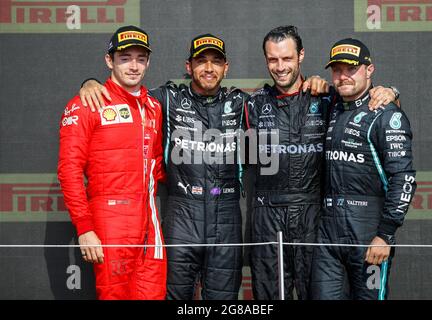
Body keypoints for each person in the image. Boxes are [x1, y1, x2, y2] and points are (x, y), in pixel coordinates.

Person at [78, 33, 328, 300]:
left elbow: (285, 100)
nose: (208, 68)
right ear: (189, 66)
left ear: (226, 67)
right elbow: (128, 96)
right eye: (201, 61)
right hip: (182, 218)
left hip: (227, 218)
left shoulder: (243, 103)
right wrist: (90, 83)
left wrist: (314, 81)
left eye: (216, 62)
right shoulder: (167, 99)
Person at [245, 26, 399, 300]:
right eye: (273, 59)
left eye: (287, 58)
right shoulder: (252, 104)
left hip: (314, 218)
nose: (280, 67)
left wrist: (390, 92)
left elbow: (368, 104)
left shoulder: (328, 97)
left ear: (301, 55)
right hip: (267, 217)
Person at [57, 25, 167, 300]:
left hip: (150, 226)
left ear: (148, 62)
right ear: (109, 60)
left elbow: (155, 164)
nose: (134, 66)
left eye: (140, 59)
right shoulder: (86, 103)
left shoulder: (154, 107)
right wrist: (85, 228)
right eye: (125, 58)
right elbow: (69, 170)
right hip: (111, 223)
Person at [310, 38, 416, 300]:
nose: (343, 76)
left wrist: (385, 235)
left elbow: (403, 179)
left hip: (369, 232)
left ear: (369, 70)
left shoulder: (386, 114)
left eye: (351, 68)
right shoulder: (332, 104)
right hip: (328, 234)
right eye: (337, 69)